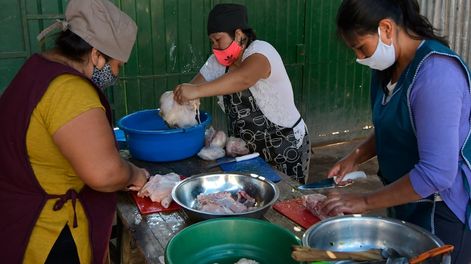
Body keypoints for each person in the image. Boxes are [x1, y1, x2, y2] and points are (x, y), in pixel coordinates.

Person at [319, 0, 471, 263]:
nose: (359, 58)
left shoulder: (436, 75)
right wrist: (354, 156)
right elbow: (395, 127)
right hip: (406, 198)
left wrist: (365, 202)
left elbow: (436, 174)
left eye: (360, 47)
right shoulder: (386, 69)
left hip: (442, 210)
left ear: (386, 28)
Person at [0, 0, 149, 263]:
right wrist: (134, 173)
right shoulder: (70, 90)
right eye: (117, 65)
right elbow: (104, 174)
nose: (115, 74)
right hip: (49, 232)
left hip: (16, 216)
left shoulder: (37, 68)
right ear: (96, 54)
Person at [173, 3, 311, 183]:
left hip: (286, 146)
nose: (215, 47)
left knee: (287, 202)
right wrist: (178, 101)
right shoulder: (217, 62)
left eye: (218, 39)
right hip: (246, 153)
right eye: (212, 42)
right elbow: (191, 89)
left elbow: (244, 78)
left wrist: (197, 91)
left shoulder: (261, 52)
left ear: (238, 34)